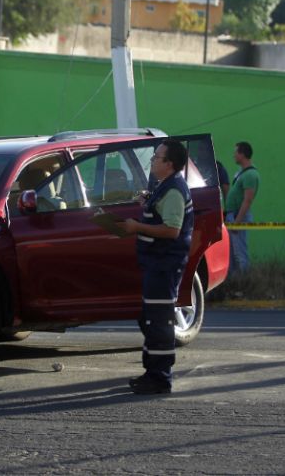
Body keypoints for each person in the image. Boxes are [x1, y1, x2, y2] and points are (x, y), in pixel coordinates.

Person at [117, 139, 194, 395]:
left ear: (169, 164)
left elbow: (172, 230)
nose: (152, 161)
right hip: (156, 264)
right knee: (149, 319)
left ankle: (160, 378)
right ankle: (152, 372)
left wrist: (136, 227)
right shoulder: (165, 187)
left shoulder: (173, 190)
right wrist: (148, 200)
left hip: (164, 266)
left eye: (156, 157)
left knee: (159, 321)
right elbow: (164, 214)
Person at [225, 141, 260, 274]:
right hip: (233, 216)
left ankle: (245, 285)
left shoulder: (250, 175)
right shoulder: (242, 173)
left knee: (240, 254)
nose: (234, 155)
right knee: (232, 255)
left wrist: (237, 222)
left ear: (242, 154)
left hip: (238, 217)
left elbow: (247, 200)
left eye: (236, 152)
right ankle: (234, 285)